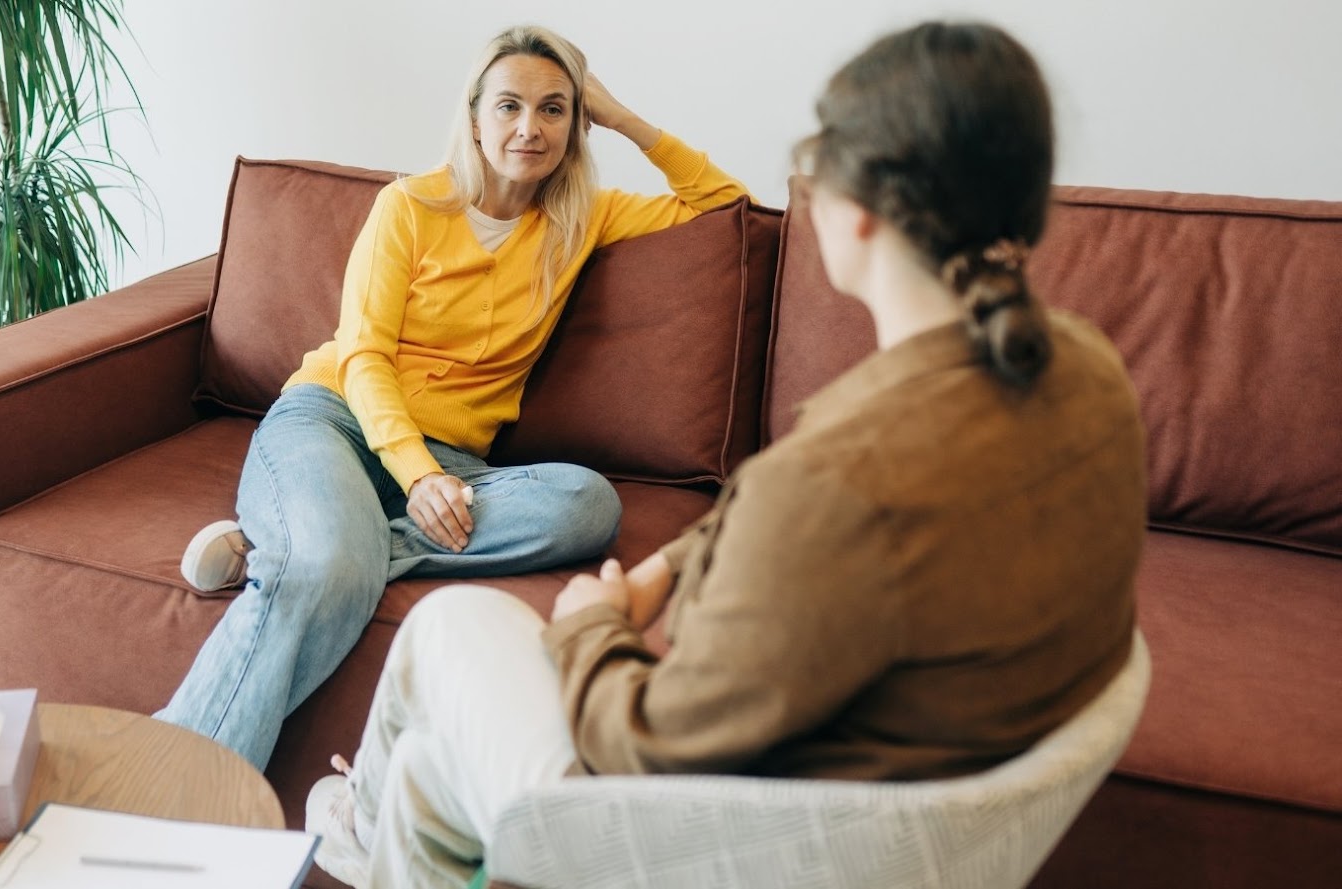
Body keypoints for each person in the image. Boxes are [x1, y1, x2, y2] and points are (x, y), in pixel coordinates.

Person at [305, 20, 1148, 888]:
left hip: (727, 843)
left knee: (448, 632)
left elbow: (647, 740)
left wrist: (592, 622)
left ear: (850, 209)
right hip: (912, 827)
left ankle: (355, 828)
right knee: (425, 774)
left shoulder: (827, 481)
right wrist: (672, 565)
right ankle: (371, 832)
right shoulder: (1087, 369)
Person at [154, 24, 751, 772]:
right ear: (473, 117)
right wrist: (417, 475)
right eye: (508, 106)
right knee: (335, 556)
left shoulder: (583, 217)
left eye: (554, 109)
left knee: (586, 506)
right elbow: (365, 352)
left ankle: (295, 552)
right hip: (336, 420)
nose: (529, 128)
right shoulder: (410, 206)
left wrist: (624, 117)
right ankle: (178, 774)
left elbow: (726, 203)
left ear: (576, 123)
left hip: (454, 459)